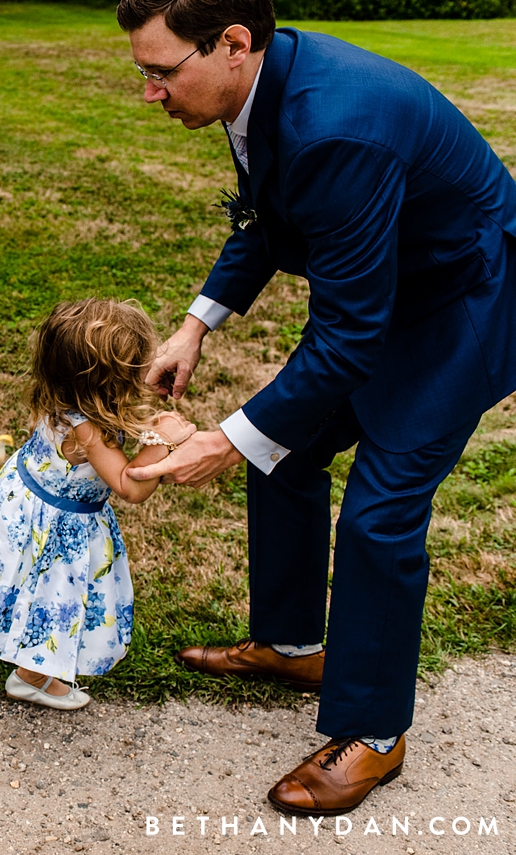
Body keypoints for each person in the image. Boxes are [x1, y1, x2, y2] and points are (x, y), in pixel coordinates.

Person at [116, 0, 516, 815]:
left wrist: (225, 440)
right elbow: (269, 215)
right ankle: (295, 646)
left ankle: (373, 733)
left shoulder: (334, 125)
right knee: (288, 445)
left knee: (380, 513)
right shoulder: (260, 82)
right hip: (391, 286)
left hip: (465, 297)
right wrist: (196, 324)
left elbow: (347, 342)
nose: (150, 94)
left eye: (161, 72)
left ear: (232, 44)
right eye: (143, 72)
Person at [0, 299, 194, 710]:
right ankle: (30, 677)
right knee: (52, 597)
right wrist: (162, 440)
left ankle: (28, 664)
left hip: (28, 507)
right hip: (56, 529)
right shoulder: (85, 430)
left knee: (30, 588)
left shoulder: (65, 398)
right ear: (107, 382)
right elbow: (129, 486)